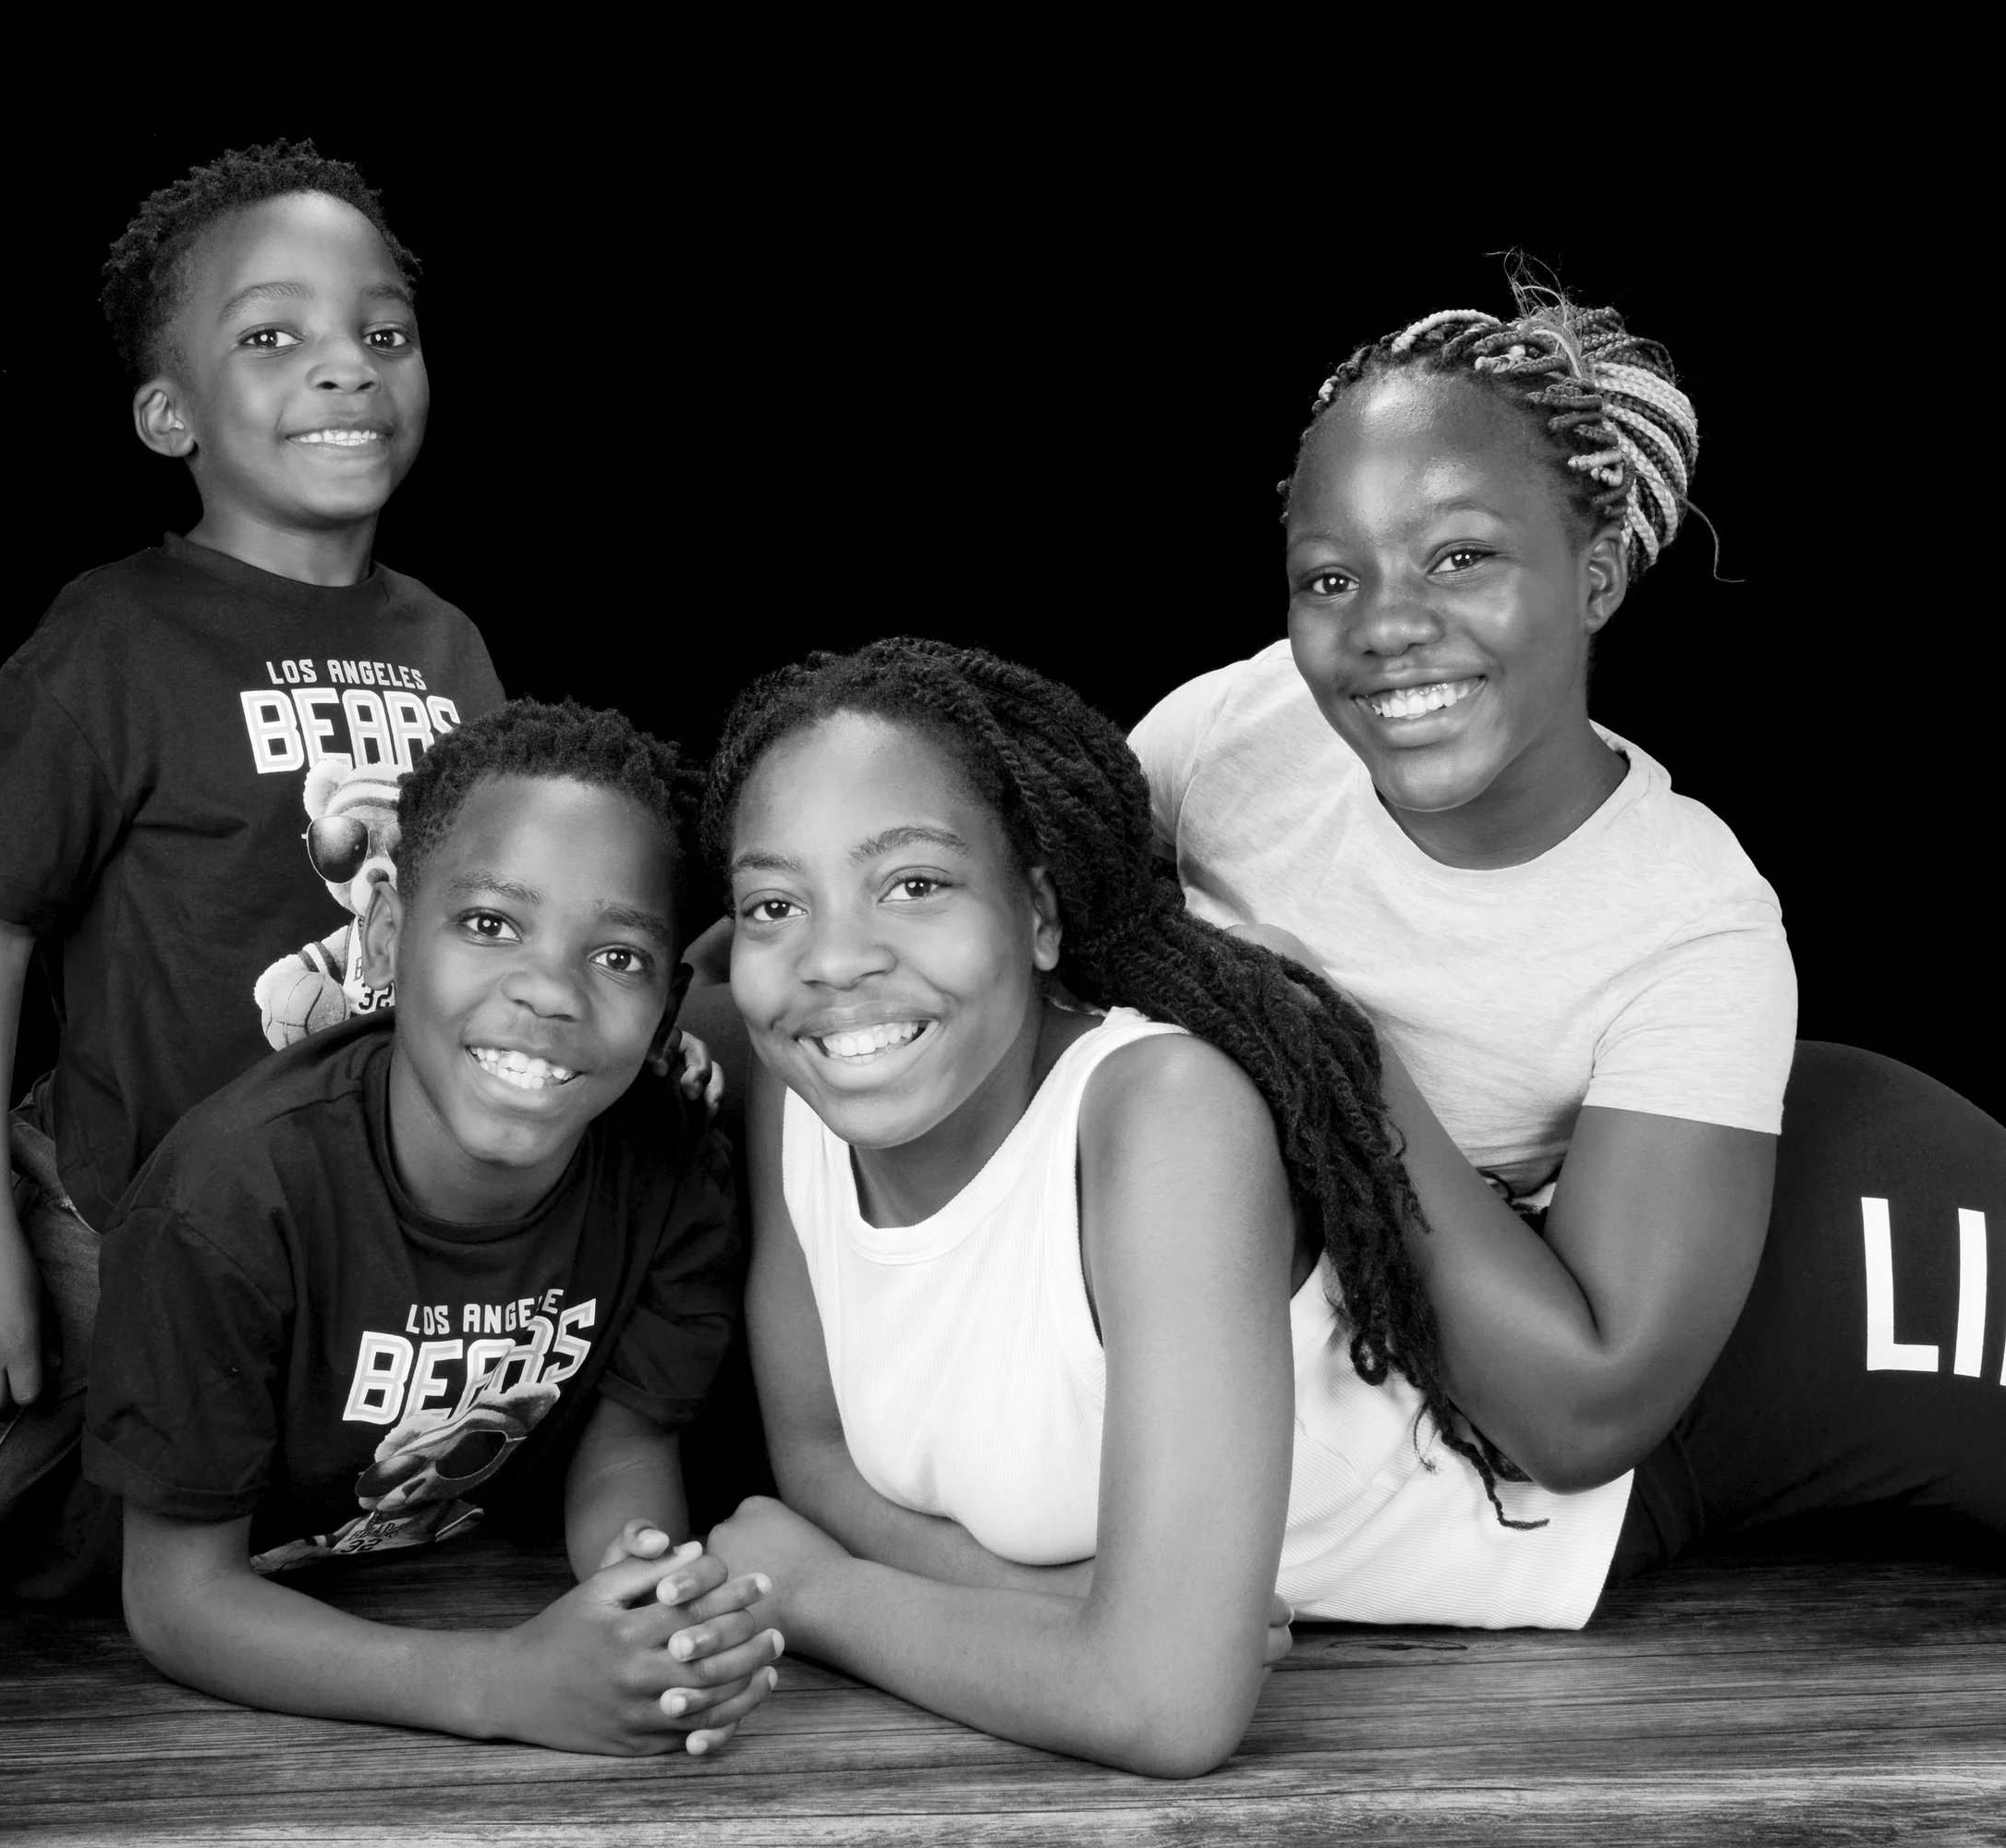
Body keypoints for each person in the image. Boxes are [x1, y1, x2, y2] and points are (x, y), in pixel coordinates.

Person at [691, 638, 2002, 1780]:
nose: (835, 959)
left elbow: (1165, 1699)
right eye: (773, 904)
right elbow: (818, 1458)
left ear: (1038, 912)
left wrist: (818, 1593)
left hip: (1819, 1296)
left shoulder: (1159, 1120)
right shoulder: (806, 1079)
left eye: (915, 883)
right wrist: (1045, 1600)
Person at [0, 140, 503, 1638]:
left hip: (282, 1249)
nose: (345, 366)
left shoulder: (449, 649)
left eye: (381, 332)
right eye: (273, 335)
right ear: (168, 411)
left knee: (97, 1541)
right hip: (98, 1225)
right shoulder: (116, 643)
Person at [1129, 286, 2001, 1559]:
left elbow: (1586, 1415)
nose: (1385, 627)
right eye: (1331, 577)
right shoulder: (1238, 731)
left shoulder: (1693, 933)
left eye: (1460, 557)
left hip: (1390, 1436)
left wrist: (1321, 1045)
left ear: (1594, 580)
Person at [88, 699, 780, 1756]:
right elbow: (178, 1599)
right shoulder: (227, 1199)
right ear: (389, 932)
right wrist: (499, 1682)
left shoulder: (672, 1172)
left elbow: (622, 1450)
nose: (548, 991)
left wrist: (649, 1603)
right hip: (41, 1471)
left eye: (618, 956)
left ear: (668, 1000)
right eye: (490, 923)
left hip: (372, 1557)